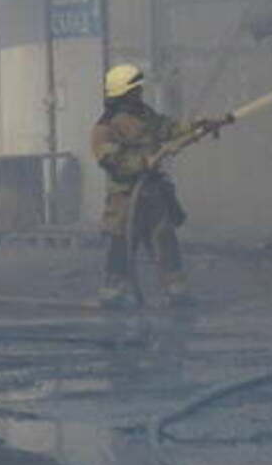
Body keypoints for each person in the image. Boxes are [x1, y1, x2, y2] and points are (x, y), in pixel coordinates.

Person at [91, 64, 223, 308]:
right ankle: (112, 292)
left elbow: (168, 128)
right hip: (125, 197)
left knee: (164, 239)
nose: (139, 93)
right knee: (121, 243)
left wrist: (199, 126)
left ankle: (176, 289)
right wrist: (145, 161)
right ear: (123, 93)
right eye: (135, 89)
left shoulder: (145, 115)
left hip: (152, 192)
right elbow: (111, 161)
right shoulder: (106, 128)